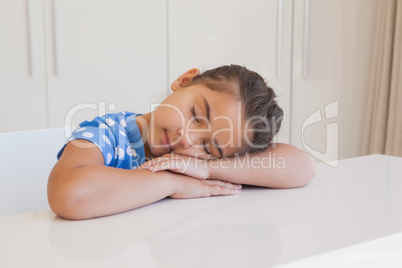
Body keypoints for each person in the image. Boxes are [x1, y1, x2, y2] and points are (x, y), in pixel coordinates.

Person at [48, 65, 315, 220]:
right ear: (184, 81)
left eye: (209, 147)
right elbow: (68, 194)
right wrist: (171, 182)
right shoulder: (107, 133)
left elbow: (303, 167)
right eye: (196, 115)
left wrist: (209, 169)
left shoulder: (201, 164)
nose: (187, 139)